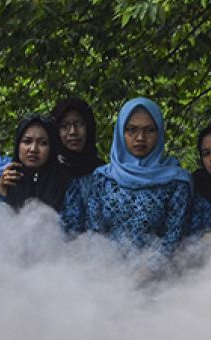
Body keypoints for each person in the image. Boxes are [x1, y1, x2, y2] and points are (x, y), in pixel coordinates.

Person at [61, 97, 192, 257]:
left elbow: (173, 239)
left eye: (149, 130)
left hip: (160, 278)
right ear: (120, 132)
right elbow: (94, 233)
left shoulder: (176, 181)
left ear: (160, 133)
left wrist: (145, 272)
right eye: (131, 130)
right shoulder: (103, 178)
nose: (140, 138)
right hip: (106, 273)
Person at [0, 113, 74, 211]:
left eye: (43, 143)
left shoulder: (67, 183)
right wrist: (2, 192)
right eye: (27, 141)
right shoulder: (4, 181)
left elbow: (73, 223)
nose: (33, 149)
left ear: (52, 148)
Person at [51, 97, 104, 176]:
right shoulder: (49, 172)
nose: (73, 132)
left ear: (89, 127)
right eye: (64, 126)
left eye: (80, 124)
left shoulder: (102, 172)